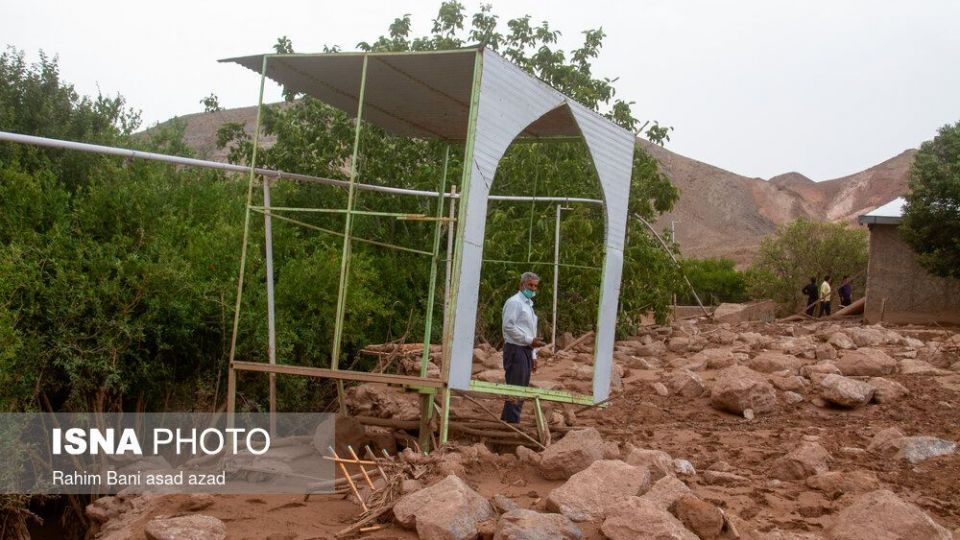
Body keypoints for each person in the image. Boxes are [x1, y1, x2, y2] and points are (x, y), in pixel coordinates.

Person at [500, 271, 544, 423]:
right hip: (515, 349)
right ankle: (512, 422)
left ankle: (507, 422)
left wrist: (533, 355)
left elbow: (529, 331)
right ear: (522, 285)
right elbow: (508, 327)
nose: (532, 289)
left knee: (521, 387)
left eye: (535, 286)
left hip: (525, 350)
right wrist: (529, 340)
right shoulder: (515, 302)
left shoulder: (528, 305)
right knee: (516, 388)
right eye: (530, 285)